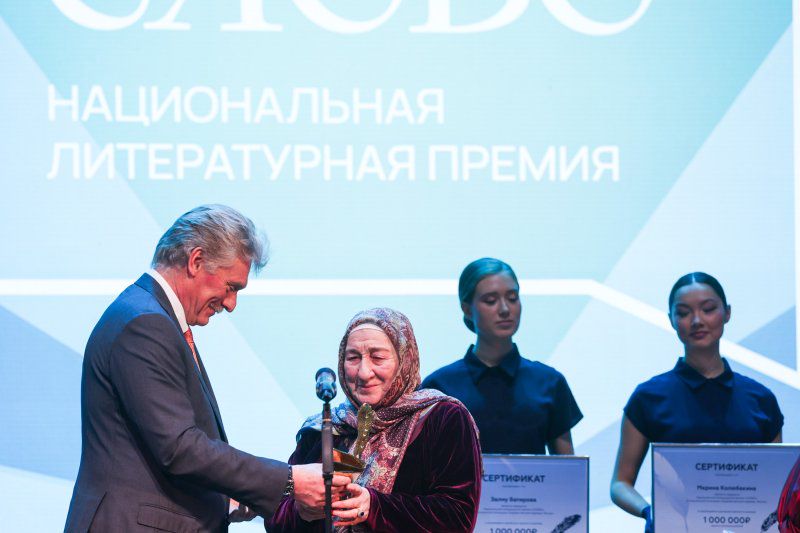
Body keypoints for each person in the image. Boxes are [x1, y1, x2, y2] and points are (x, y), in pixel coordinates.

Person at [64, 205, 348, 532]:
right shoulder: (146, 324)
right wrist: (288, 481)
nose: (231, 304)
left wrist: (220, 500)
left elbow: (156, 451)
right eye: (231, 286)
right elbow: (179, 448)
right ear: (196, 261)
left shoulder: (148, 315)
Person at [267, 307, 483, 532]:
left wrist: (374, 507)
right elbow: (275, 516)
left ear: (405, 360)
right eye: (353, 358)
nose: (363, 372)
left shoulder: (442, 417)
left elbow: (458, 517)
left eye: (377, 357)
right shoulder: (325, 427)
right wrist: (302, 512)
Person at [610, 272, 784, 533]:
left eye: (708, 309)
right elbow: (620, 483)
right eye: (683, 313)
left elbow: (777, 483)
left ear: (727, 313)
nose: (697, 321)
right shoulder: (648, 396)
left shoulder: (761, 399)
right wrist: (649, 511)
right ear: (671, 320)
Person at [421, 258, 582, 454]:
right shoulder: (439, 387)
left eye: (512, 298)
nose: (505, 309)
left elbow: (567, 467)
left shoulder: (550, 382)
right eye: (491, 300)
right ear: (467, 309)